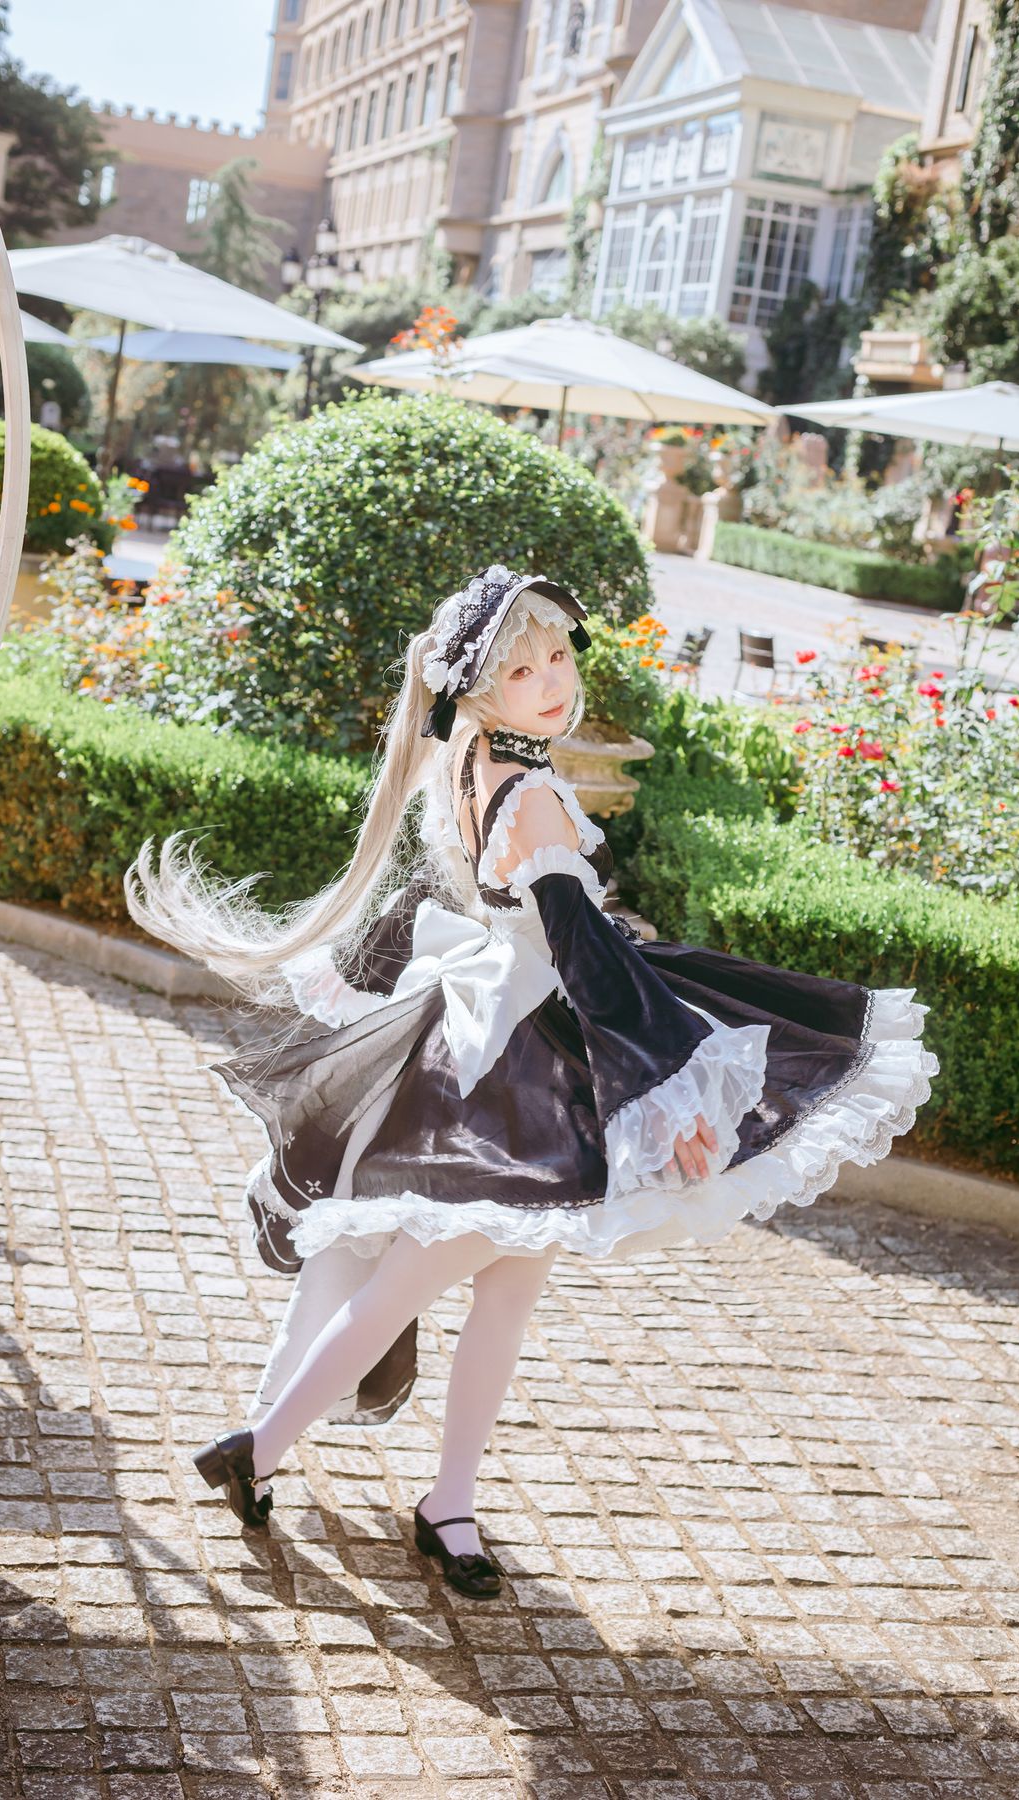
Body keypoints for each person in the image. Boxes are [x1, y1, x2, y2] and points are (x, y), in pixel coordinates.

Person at [125, 563, 940, 1599]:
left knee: (505, 1294)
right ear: (478, 692)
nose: (553, 681)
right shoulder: (534, 793)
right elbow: (588, 964)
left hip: (502, 1047)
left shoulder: (473, 762)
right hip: (519, 1070)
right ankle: (260, 1447)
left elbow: (553, 932)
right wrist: (670, 1100)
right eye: (522, 669)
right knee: (408, 1283)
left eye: (558, 655)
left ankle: (447, 1502)